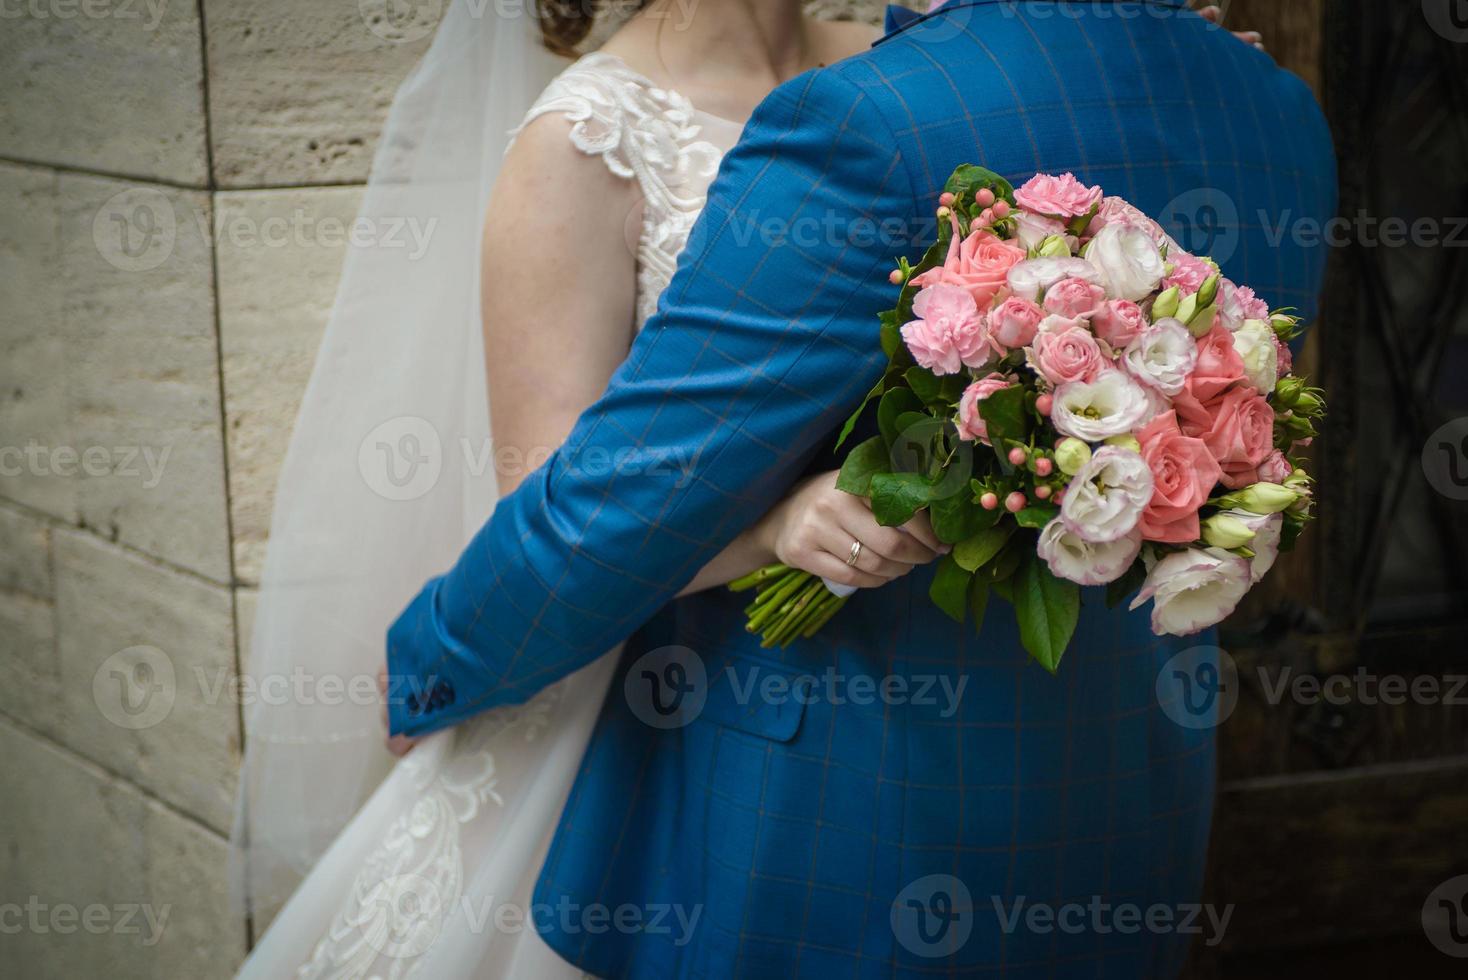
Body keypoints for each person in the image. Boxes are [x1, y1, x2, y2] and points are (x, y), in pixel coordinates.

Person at [232, 1, 1304, 977]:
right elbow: (570, 502)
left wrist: (439, 654)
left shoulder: (884, 99)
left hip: (911, 800)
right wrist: (775, 523)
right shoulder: (1269, 105)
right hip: (948, 777)